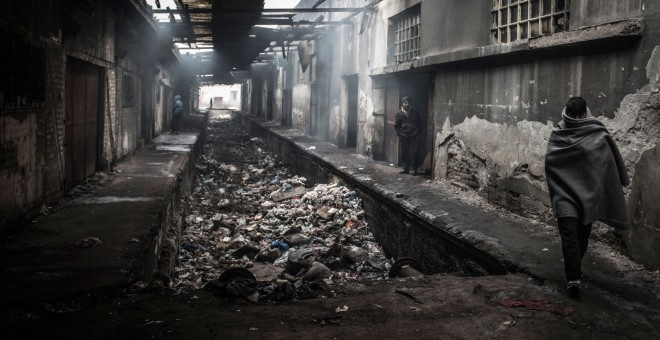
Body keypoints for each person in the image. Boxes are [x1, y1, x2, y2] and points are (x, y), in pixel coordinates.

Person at [544, 96, 630, 298]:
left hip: (588, 196)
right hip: (564, 195)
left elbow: (605, 163)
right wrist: (559, 186)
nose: (574, 118)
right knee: (569, 236)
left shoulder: (597, 132)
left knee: (582, 237)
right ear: (566, 111)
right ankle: (573, 279)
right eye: (571, 114)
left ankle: (575, 267)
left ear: (584, 113)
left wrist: (601, 187)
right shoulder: (559, 132)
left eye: (578, 115)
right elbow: (551, 160)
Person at [394, 96, 421, 175]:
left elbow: (420, 124)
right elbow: (396, 125)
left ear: (410, 103)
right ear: (402, 103)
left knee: (414, 152)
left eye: (407, 103)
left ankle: (414, 170)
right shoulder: (399, 113)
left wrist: (417, 133)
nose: (406, 104)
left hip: (414, 135)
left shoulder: (415, 112)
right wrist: (399, 133)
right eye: (404, 103)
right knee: (404, 152)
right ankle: (406, 169)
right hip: (404, 135)